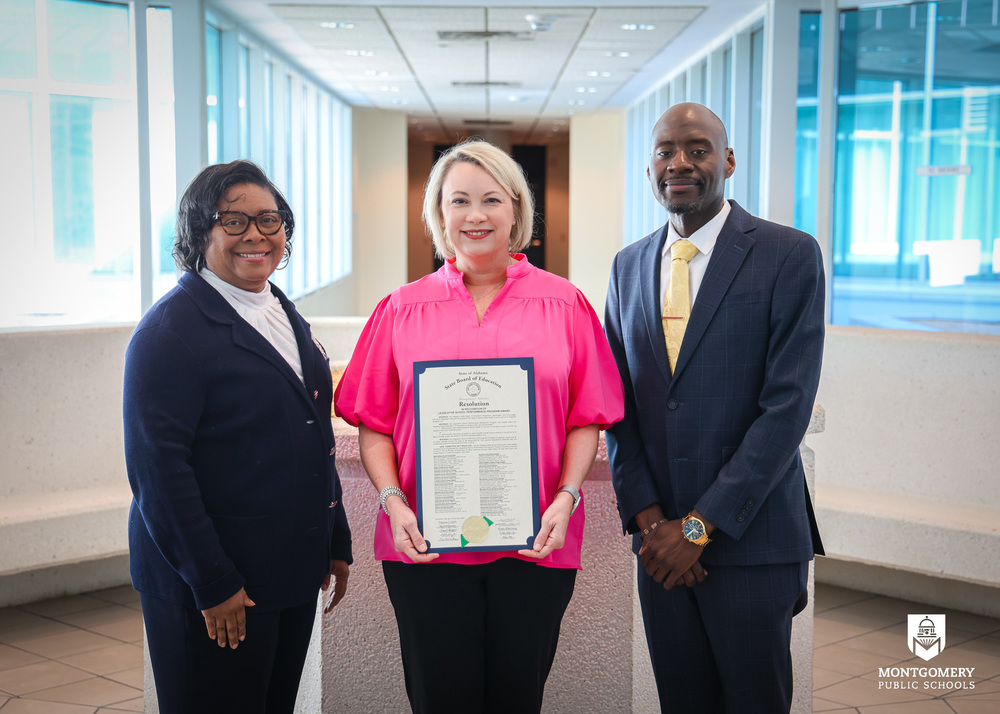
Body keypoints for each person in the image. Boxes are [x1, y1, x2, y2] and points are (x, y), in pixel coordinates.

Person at [334, 140, 624, 713]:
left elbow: (586, 419)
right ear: (438, 215)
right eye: (459, 200)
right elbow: (373, 423)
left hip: (537, 544)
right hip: (425, 547)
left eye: (492, 199)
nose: (476, 215)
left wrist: (566, 499)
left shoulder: (566, 305)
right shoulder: (401, 308)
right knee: (439, 698)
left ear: (516, 211)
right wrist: (393, 503)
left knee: (519, 697)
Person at [604, 103, 825, 712]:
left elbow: (786, 407)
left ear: (727, 161)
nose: (680, 162)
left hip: (750, 543)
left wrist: (698, 529)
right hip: (661, 551)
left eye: (698, 149)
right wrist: (654, 525)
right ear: (649, 166)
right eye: (665, 151)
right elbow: (617, 408)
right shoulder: (627, 267)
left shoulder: (788, 254)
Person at [124, 160, 352, 714]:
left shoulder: (276, 309)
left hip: (288, 571)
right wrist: (214, 582)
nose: (255, 234)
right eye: (233, 220)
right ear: (199, 233)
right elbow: (159, 475)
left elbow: (312, 429)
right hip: (220, 584)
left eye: (269, 220)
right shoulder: (169, 334)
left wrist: (334, 539)